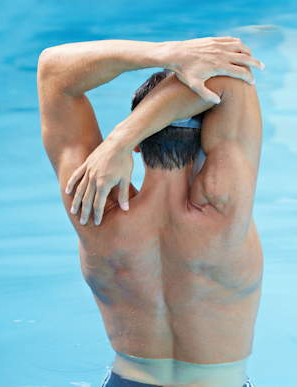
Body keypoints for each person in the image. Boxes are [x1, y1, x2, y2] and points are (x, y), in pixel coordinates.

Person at [37, 37, 264, 387]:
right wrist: (122, 138)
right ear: (209, 137)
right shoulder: (224, 210)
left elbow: (53, 71)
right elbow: (229, 78)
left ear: (142, 144)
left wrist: (164, 55)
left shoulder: (94, 207)